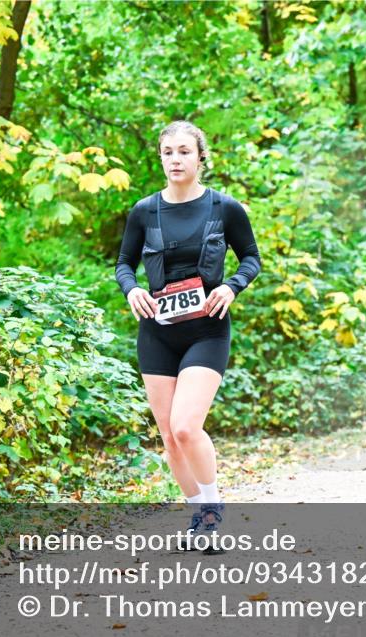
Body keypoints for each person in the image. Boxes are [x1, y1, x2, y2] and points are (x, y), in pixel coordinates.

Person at [115, 120, 261, 553]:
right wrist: (133, 289)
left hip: (207, 330)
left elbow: (251, 258)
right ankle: (197, 514)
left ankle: (214, 510)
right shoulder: (145, 210)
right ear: (160, 158)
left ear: (200, 157)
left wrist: (230, 286)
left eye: (184, 151)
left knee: (185, 425)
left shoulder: (224, 208)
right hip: (157, 332)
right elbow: (123, 263)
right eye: (168, 152)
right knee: (167, 432)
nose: (175, 159)